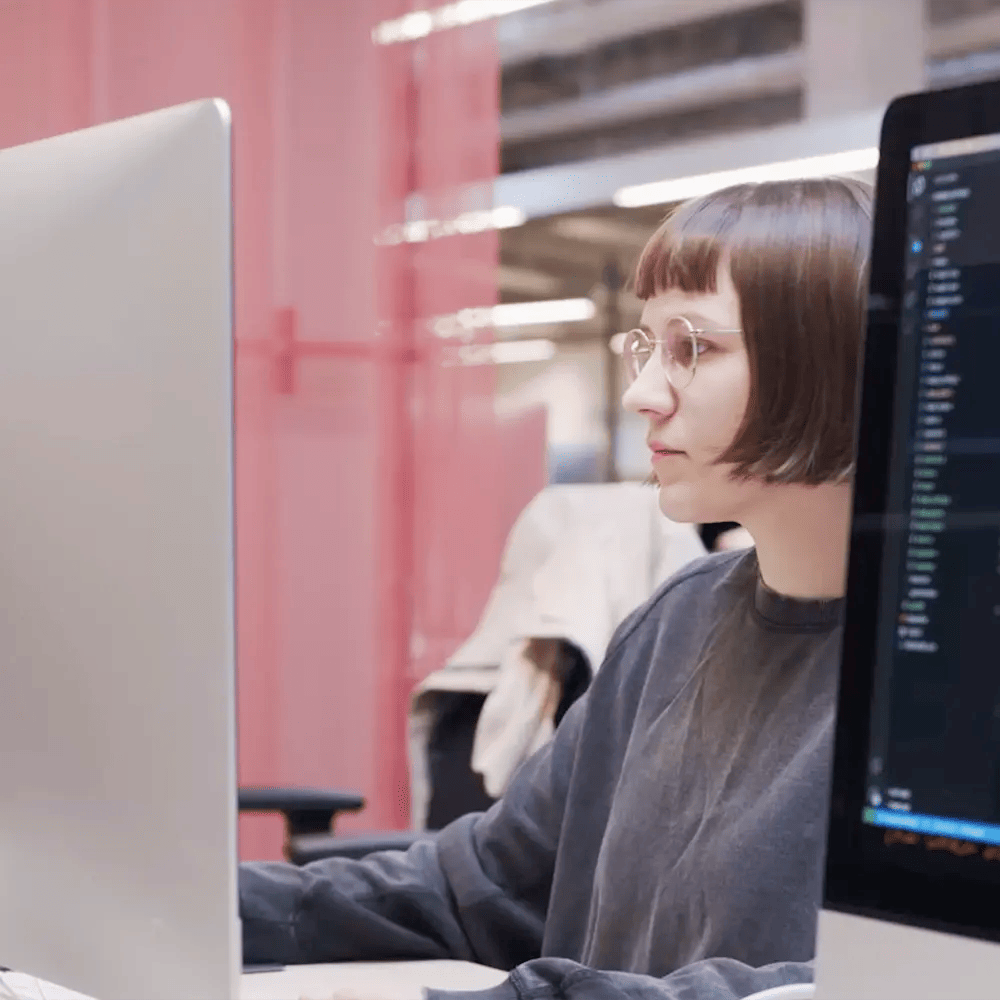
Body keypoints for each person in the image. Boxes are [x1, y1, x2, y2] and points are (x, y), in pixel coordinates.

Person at [240, 176, 873, 1000]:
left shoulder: (943, 691)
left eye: (694, 348)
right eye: (646, 349)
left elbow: (864, 984)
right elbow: (475, 887)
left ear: (828, 360)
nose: (644, 394)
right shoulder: (675, 624)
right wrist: (198, 901)